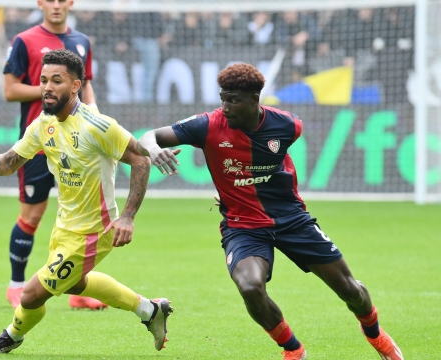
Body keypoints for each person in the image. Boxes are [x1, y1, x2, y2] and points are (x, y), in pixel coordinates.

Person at [137, 63, 402, 360]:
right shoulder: (208, 125)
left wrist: (249, 183)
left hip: (292, 219)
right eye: (223, 98)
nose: (225, 107)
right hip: (243, 225)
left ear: (254, 99)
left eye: (233, 100)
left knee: (350, 290)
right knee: (250, 287)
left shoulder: (288, 126)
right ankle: (293, 350)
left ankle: (376, 335)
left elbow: (282, 162)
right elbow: (150, 136)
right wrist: (153, 149)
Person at [0, 49, 173, 355]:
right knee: (74, 284)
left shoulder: (98, 125)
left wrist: (128, 216)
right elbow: (6, 163)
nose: (47, 87)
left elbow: (141, 160)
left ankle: (11, 336)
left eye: (57, 80)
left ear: (75, 86)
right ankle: (150, 310)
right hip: (65, 227)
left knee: (30, 295)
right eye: (43, 80)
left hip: (95, 230)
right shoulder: (44, 125)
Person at [2, 0, 100, 309]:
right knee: (32, 215)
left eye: (62, 0)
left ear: (71, 3)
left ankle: (78, 290)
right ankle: (16, 284)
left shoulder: (82, 42)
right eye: (50, 0)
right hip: (38, 143)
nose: (56, 5)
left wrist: (95, 120)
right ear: (40, 3)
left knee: (82, 218)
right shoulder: (24, 41)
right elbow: (9, 90)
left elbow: (85, 89)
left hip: (75, 143)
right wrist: (53, 88)